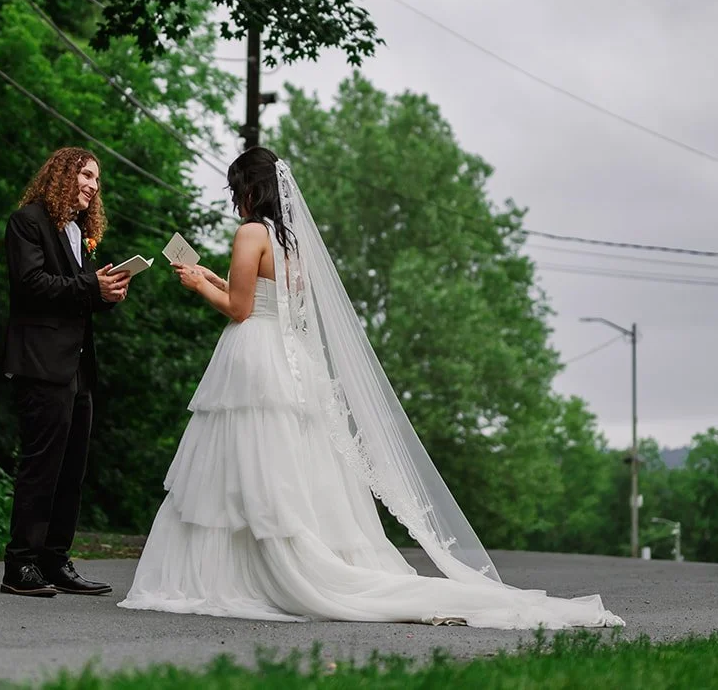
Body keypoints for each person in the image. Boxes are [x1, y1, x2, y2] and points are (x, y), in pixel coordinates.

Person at [119, 147, 622, 629]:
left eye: (237, 190)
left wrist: (198, 285)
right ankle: (276, 557)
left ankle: (234, 573)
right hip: (289, 357)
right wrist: (211, 276)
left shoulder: (250, 233)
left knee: (240, 466)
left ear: (249, 190)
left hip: (253, 356)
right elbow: (271, 301)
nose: (236, 200)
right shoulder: (292, 239)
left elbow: (241, 309)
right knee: (284, 462)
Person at [1, 148, 130, 598]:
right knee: (41, 467)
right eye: (87, 175)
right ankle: (20, 565)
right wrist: (88, 285)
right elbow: (31, 285)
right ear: (64, 173)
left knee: (72, 469)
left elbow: (74, 295)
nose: (94, 185)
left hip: (78, 368)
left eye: (97, 180)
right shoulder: (28, 222)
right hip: (40, 364)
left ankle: (56, 561)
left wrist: (104, 293)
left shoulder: (77, 232)